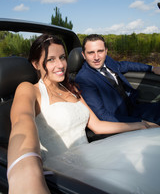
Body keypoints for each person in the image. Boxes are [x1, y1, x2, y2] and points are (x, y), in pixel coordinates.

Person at [7, 34, 160, 194]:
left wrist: (142, 124)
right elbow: (21, 121)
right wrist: (25, 172)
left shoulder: (72, 89)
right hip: (61, 171)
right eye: (50, 59)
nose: (60, 65)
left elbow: (98, 126)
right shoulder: (28, 89)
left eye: (62, 57)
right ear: (35, 64)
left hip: (92, 156)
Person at [75, 34, 160, 124]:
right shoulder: (84, 79)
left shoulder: (107, 60)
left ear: (106, 51)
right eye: (91, 53)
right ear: (83, 55)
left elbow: (125, 65)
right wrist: (140, 122)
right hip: (121, 118)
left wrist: (152, 68)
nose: (96, 57)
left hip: (134, 107)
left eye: (100, 51)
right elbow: (102, 115)